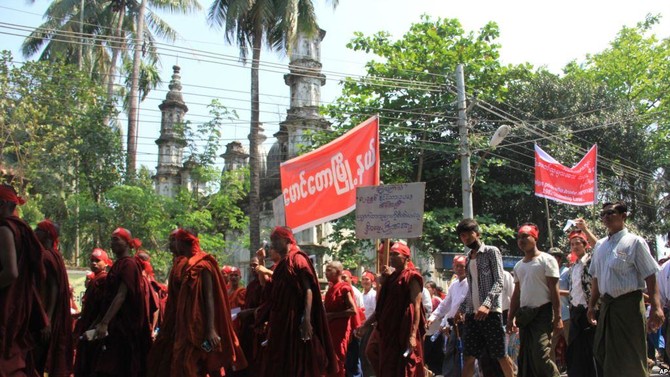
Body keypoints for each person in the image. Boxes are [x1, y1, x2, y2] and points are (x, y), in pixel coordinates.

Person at [587, 201, 663, 376]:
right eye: (603, 214)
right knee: (603, 352)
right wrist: (592, 305)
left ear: (623, 216)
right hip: (607, 307)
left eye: (611, 213)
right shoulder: (600, 246)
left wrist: (656, 308)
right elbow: (596, 278)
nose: (605, 216)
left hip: (629, 307)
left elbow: (650, 275)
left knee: (631, 356)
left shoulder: (635, 242)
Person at [259, 226, 338, 376]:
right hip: (282, 321)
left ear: (287, 239)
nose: (273, 244)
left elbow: (308, 289)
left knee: (299, 364)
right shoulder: (282, 263)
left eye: (276, 240)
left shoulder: (297, 258)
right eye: (272, 240)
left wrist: (306, 319)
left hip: (296, 320)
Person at [171, 228, 247, 376]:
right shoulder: (184, 264)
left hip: (202, 326)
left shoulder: (203, 264)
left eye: (175, 241)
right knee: (188, 365)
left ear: (182, 242)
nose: (173, 245)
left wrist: (211, 329)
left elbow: (210, 296)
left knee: (207, 362)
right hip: (187, 325)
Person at [454, 219, 515, 377]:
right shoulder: (468, 258)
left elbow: (499, 281)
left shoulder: (491, 251)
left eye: (468, 235)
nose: (465, 239)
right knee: (468, 356)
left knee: (500, 355)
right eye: (462, 236)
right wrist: (460, 310)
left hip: (492, 312)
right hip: (473, 315)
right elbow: (471, 289)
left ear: (477, 234)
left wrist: (487, 305)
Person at [356, 241, 426, 377]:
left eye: (396, 254)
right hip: (388, 330)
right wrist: (365, 325)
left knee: (405, 366)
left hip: (403, 329)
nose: (391, 257)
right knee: (377, 356)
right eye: (391, 254)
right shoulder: (391, 278)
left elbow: (416, 307)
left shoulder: (412, 277)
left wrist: (412, 335)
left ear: (407, 258)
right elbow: (382, 309)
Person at [0, 184, 48, 376]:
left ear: (2, 204)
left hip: (6, 300)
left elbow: (11, 272)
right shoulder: (22, 229)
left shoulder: (4, 228)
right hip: (19, 301)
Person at [90, 227, 152, 377]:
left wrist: (105, 322)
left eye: (116, 239)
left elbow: (121, 295)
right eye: (111, 239)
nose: (112, 243)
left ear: (127, 243)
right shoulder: (118, 264)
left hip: (123, 327)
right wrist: (98, 322)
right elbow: (108, 298)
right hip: (113, 325)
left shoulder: (129, 264)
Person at [506, 223, 561, 377]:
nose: (521, 240)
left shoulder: (547, 260)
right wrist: (510, 318)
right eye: (519, 237)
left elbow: (554, 290)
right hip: (524, 316)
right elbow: (516, 294)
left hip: (542, 313)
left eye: (525, 236)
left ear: (535, 238)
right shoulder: (518, 266)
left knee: (540, 354)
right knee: (526, 356)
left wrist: (558, 317)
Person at [33, 219, 73, 377]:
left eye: (38, 229)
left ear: (47, 235)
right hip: (49, 314)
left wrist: (47, 318)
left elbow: (54, 288)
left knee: (38, 358)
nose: (35, 232)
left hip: (45, 315)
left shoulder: (47, 257)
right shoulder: (55, 255)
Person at [146, 229, 188, 377]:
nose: (170, 244)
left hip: (185, 324)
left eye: (173, 240)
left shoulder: (187, 265)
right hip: (171, 323)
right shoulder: (177, 263)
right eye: (170, 240)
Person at [565, 229, 601, 377]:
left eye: (578, 243)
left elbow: (598, 246)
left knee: (593, 347)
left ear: (585, 244)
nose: (575, 247)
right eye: (572, 244)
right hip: (575, 311)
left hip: (590, 309)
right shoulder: (573, 266)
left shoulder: (591, 261)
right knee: (576, 347)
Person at [426, 255, 468, 377]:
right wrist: (433, 317)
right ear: (453, 267)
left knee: (465, 355)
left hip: (467, 324)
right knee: (451, 353)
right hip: (454, 325)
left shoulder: (471, 283)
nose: (460, 269)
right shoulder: (454, 284)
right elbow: (446, 304)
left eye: (462, 266)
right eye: (457, 266)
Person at [74, 248, 113, 376]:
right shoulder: (95, 280)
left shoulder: (104, 280)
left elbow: (103, 308)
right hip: (86, 325)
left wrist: (93, 328)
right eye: (92, 261)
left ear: (106, 263)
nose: (94, 263)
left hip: (94, 329)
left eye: (97, 261)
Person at [324, 261, 358, 377]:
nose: (325, 272)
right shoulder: (330, 289)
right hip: (330, 330)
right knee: (329, 360)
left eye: (329, 270)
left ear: (338, 272)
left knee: (338, 361)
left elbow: (353, 310)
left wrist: (333, 315)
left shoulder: (344, 288)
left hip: (340, 331)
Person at [548, 248, 569, 371]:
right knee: (550, 347)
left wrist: (556, 292)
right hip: (551, 316)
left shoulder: (567, 272)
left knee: (570, 344)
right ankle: (552, 372)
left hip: (566, 315)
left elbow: (574, 292)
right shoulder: (546, 273)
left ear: (559, 259)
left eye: (554, 257)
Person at [359, 271, 377, 377]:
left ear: (371, 281)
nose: (365, 281)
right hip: (361, 326)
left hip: (370, 327)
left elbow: (375, 312)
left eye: (367, 279)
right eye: (363, 279)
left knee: (367, 352)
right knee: (361, 352)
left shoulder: (373, 295)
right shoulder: (361, 295)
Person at [423, 281, 444, 374]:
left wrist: (442, 327)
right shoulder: (423, 301)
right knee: (426, 355)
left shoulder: (437, 301)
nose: (426, 290)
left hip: (436, 333)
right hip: (426, 334)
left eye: (429, 288)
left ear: (434, 290)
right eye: (425, 287)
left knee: (436, 354)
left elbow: (444, 314)